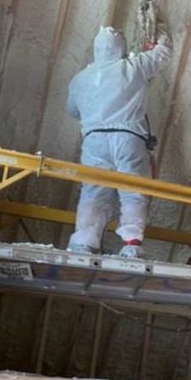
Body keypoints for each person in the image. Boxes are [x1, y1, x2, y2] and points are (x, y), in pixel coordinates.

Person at [66, 25, 171, 258]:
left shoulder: (80, 79)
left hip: (94, 140)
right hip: (128, 138)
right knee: (133, 188)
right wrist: (160, 35)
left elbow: (73, 111)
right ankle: (131, 243)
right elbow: (164, 53)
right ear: (121, 48)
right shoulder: (133, 66)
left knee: (93, 190)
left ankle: (85, 241)